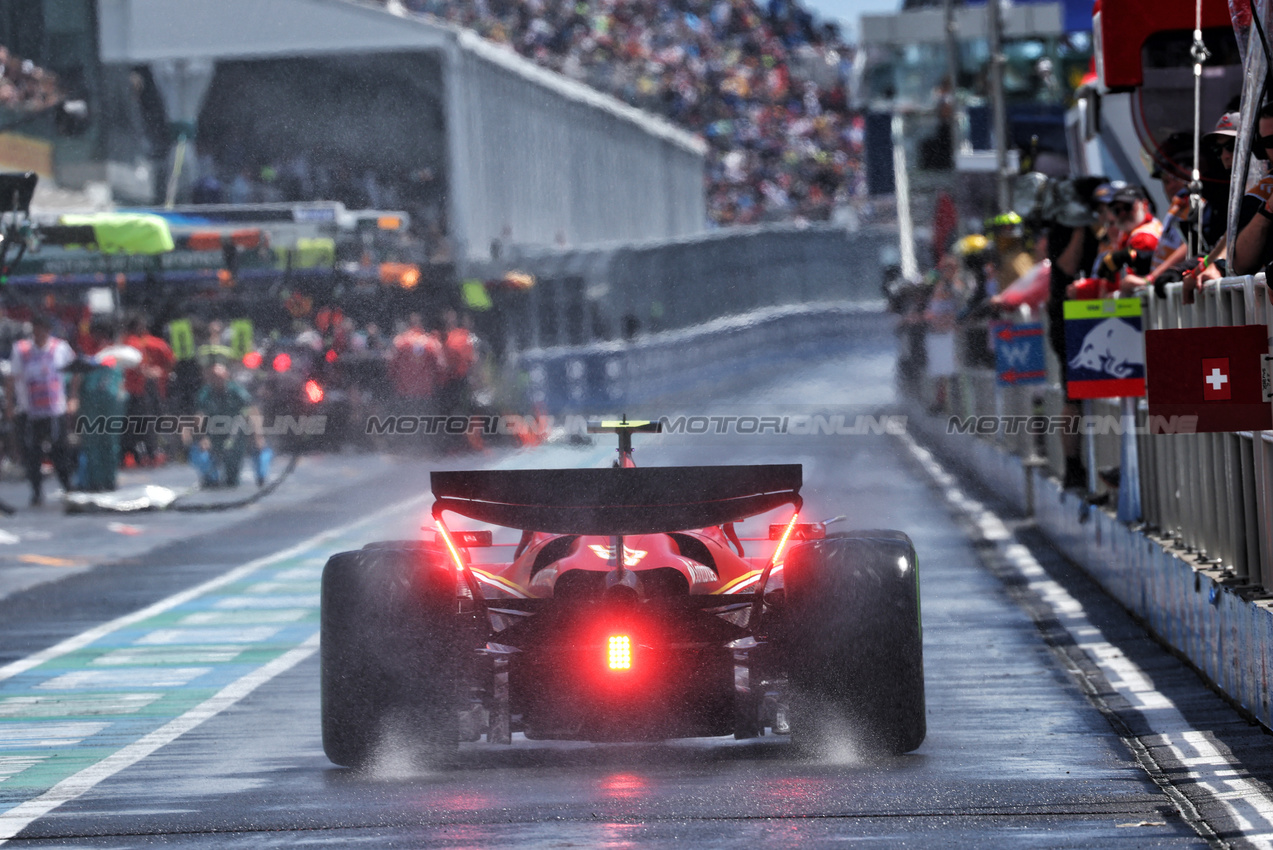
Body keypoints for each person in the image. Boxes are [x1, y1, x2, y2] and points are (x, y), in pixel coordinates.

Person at [3, 314, 77, 506]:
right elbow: (11, 378)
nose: (40, 332)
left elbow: (76, 370)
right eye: (37, 328)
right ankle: (36, 492)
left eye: (43, 328)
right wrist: (10, 405)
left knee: (60, 449)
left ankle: (68, 487)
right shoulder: (22, 350)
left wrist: (73, 397)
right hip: (30, 412)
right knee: (32, 454)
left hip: (55, 410)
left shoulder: (60, 348)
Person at [188, 360, 264, 488]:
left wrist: (257, 436)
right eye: (213, 377)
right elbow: (199, 416)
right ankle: (210, 478)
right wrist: (202, 438)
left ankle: (255, 476)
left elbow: (252, 411)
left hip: (234, 437)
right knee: (199, 455)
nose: (216, 380)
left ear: (226, 375)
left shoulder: (236, 391)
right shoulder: (205, 394)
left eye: (219, 376)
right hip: (213, 436)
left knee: (232, 480)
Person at [121, 314, 175, 467]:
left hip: (133, 390)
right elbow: (170, 361)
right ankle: (151, 453)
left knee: (131, 425)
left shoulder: (126, 343)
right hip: (145, 390)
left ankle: (134, 453)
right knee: (149, 423)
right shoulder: (151, 343)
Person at [1229, 102, 1273, 276]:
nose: (1225, 155)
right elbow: (1240, 264)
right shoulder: (1259, 195)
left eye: (1230, 147)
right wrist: (1268, 210)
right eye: (1270, 142)